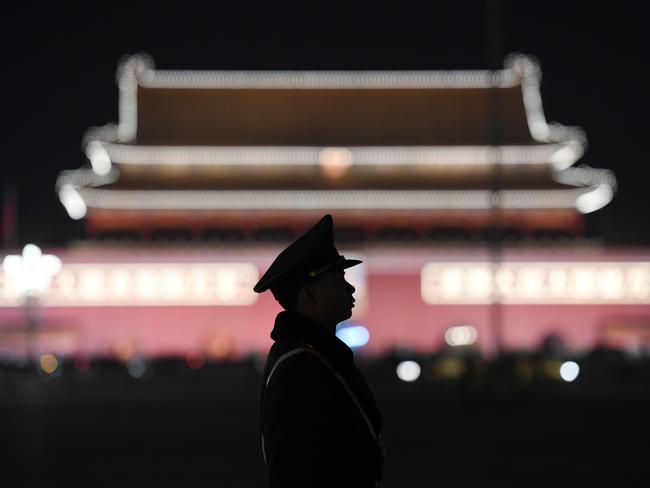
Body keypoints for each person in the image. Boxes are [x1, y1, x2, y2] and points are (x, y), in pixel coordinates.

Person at [254, 214, 385, 487]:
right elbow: (299, 469)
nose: (351, 288)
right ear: (310, 297)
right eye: (339, 281)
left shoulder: (310, 355)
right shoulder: (301, 368)